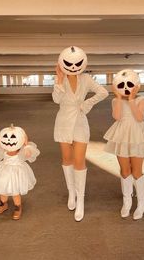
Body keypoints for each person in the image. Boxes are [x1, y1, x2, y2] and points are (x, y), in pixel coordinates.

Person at [52, 46, 108, 222]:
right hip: (62, 122)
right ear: (62, 63)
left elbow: (103, 92)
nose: (73, 66)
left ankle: (81, 200)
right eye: (69, 63)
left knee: (79, 161)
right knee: (67, 160)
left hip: (80, 123)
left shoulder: (85, 78)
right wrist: (59, 81)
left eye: (76, 63)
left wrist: (87, 104)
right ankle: (71, 194)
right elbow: (56, 99)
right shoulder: (59, 79)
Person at [104, 69, 144, 220]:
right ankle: (127, 201)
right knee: (125, 170)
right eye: (122, 85)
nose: (126, 88)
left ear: (136, 85)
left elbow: (139, 118)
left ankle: (141, 203)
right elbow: (117, 116)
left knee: (137, 170)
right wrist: (119, 97)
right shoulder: (115, 100)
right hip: (121, 135)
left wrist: (132, 98)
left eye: (130, 85)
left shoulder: (142, 100)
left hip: (137, 136)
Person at [0, 125, 40, 220]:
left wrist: (25, 143)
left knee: (15, 192)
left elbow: (28, 154)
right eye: (5, 138)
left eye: (12, 138)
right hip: (4, 171)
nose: (8, 140)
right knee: (2, 191)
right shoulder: (4, 149)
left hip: (17, 173)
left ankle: (18, 208)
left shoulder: (21, 151)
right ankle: (3, 204)